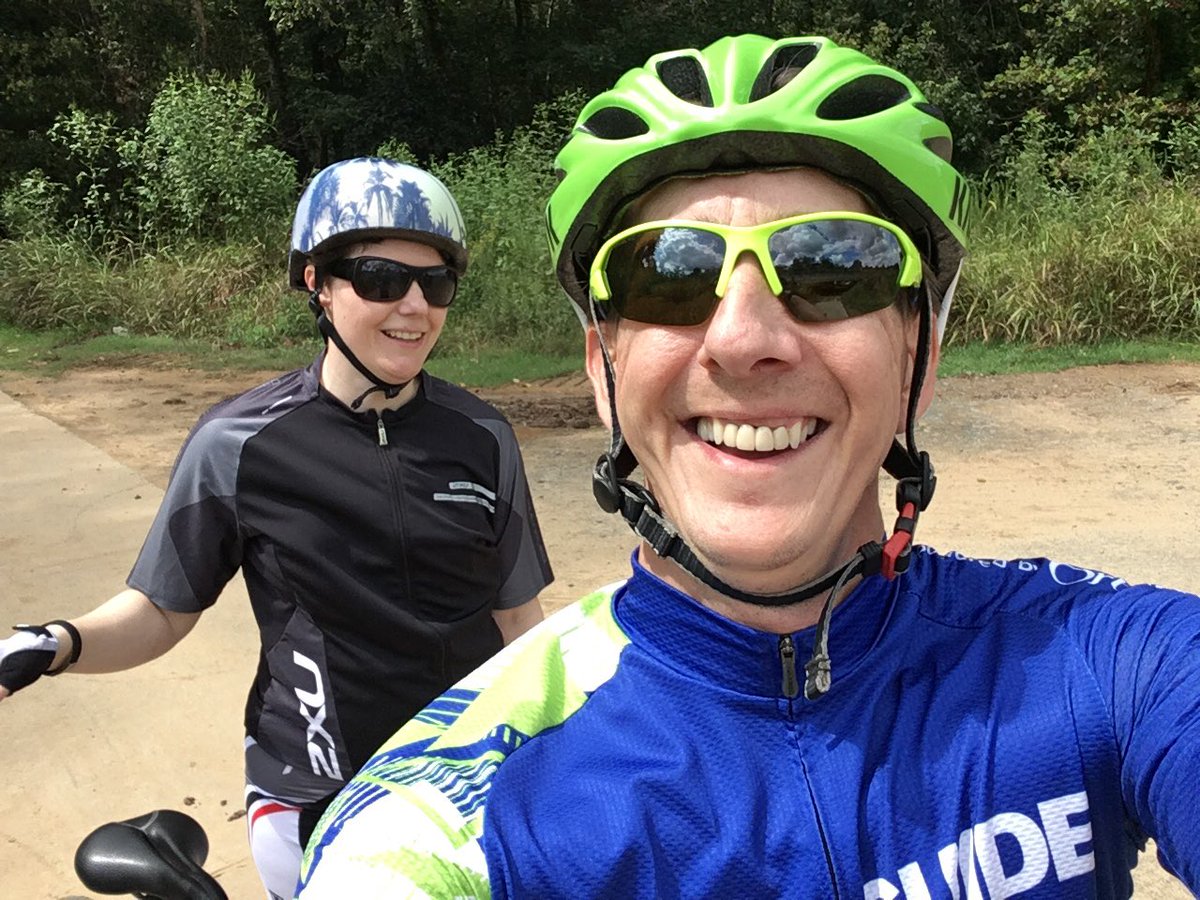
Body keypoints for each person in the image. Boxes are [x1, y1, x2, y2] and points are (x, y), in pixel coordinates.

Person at [296, 38, 1200, 899]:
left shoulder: (1105, 661)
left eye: (831, 266)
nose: (742, 339)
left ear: (917, 356)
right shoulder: (452, 825)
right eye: (666, 276)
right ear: (603, 372)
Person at [0, 157, 552, 899]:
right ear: (316, 283)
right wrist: (54, 643)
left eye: (436, 283)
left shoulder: (483, 435)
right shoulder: (238, 442)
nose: (415, 306)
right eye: (381, 279)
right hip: (312, 787)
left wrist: (552, 749)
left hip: (464, 777)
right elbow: (161, 609)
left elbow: (517, 618)